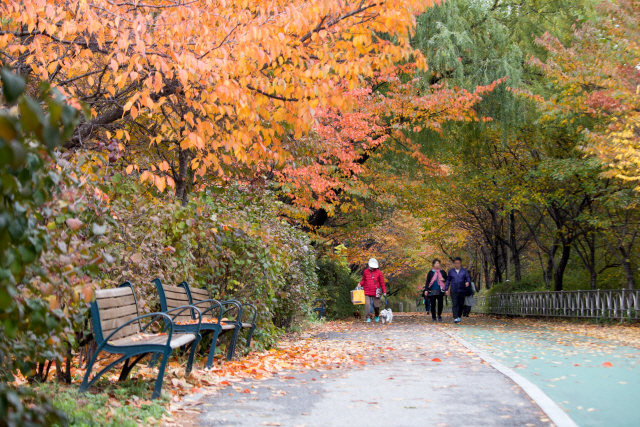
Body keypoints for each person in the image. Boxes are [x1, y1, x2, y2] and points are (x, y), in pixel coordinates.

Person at [359, 258, 387, 323]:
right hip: (366, 290)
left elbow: (382, 282)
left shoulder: (379, 272)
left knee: (376, 305)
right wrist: (360, 284)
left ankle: (377, 315)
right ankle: (368, 318)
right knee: (367, 305)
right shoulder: (365, 271)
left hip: (376, 292)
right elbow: (363, 280)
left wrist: (384, 291)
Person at [445, 257, 472, 324]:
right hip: (453, 290)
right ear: (454, 263)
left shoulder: (464, 271)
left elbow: (468, 278)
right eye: (456, 263)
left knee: (461, 304)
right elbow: (448, 280)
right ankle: (455, 317)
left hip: (462, 290)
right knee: (455, 304)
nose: (457, 264)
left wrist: (467, 282)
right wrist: (446, 289)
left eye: (458, 263)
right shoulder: (451, 271)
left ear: (460, 263)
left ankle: (459, 316)